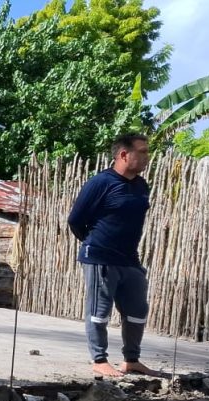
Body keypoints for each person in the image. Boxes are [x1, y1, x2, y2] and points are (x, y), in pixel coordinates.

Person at [67, 133, 158, 378]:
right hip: (100, 257)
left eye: (147, 151)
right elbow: (76, 220)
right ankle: (99, 359)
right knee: (99, 310)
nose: (147, 157)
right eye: (142, 151)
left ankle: (132, 360)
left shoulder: (141, 185)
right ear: (123, 154)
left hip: (129, 259)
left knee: (137, 310)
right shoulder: (101, 183)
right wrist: (95, 243)